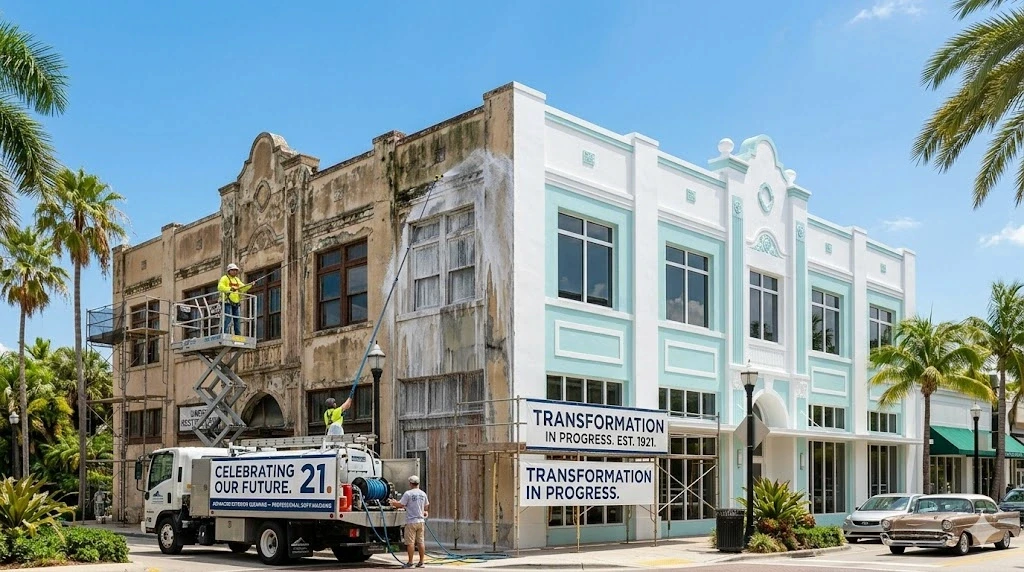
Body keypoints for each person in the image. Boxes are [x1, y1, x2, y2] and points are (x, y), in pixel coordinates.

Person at [389, 475, 429, 568]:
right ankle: (421, 562)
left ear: (410, 483)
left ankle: (410, 563)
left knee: (410, 543)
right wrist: (423, 511)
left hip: (411, 521)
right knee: (420, 542)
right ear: (418, 483)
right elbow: (426, 506)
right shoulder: (423, 494)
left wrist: (393, 502)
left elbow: (401, 505)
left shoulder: (408, 494)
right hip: (421, 521)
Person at [218, 263, 252, 335]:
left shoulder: (237, 280)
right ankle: (224, 332)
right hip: (227, 301)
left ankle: (238, 334)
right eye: (233, 270)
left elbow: (242, 288)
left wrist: (250, 285)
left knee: (237, 319)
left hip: (235, 302)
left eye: (236, 270)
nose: (235, 272)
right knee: (228, 318)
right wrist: (230, 289)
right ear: (229, 271)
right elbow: (220, 287)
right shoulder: (224, 278)